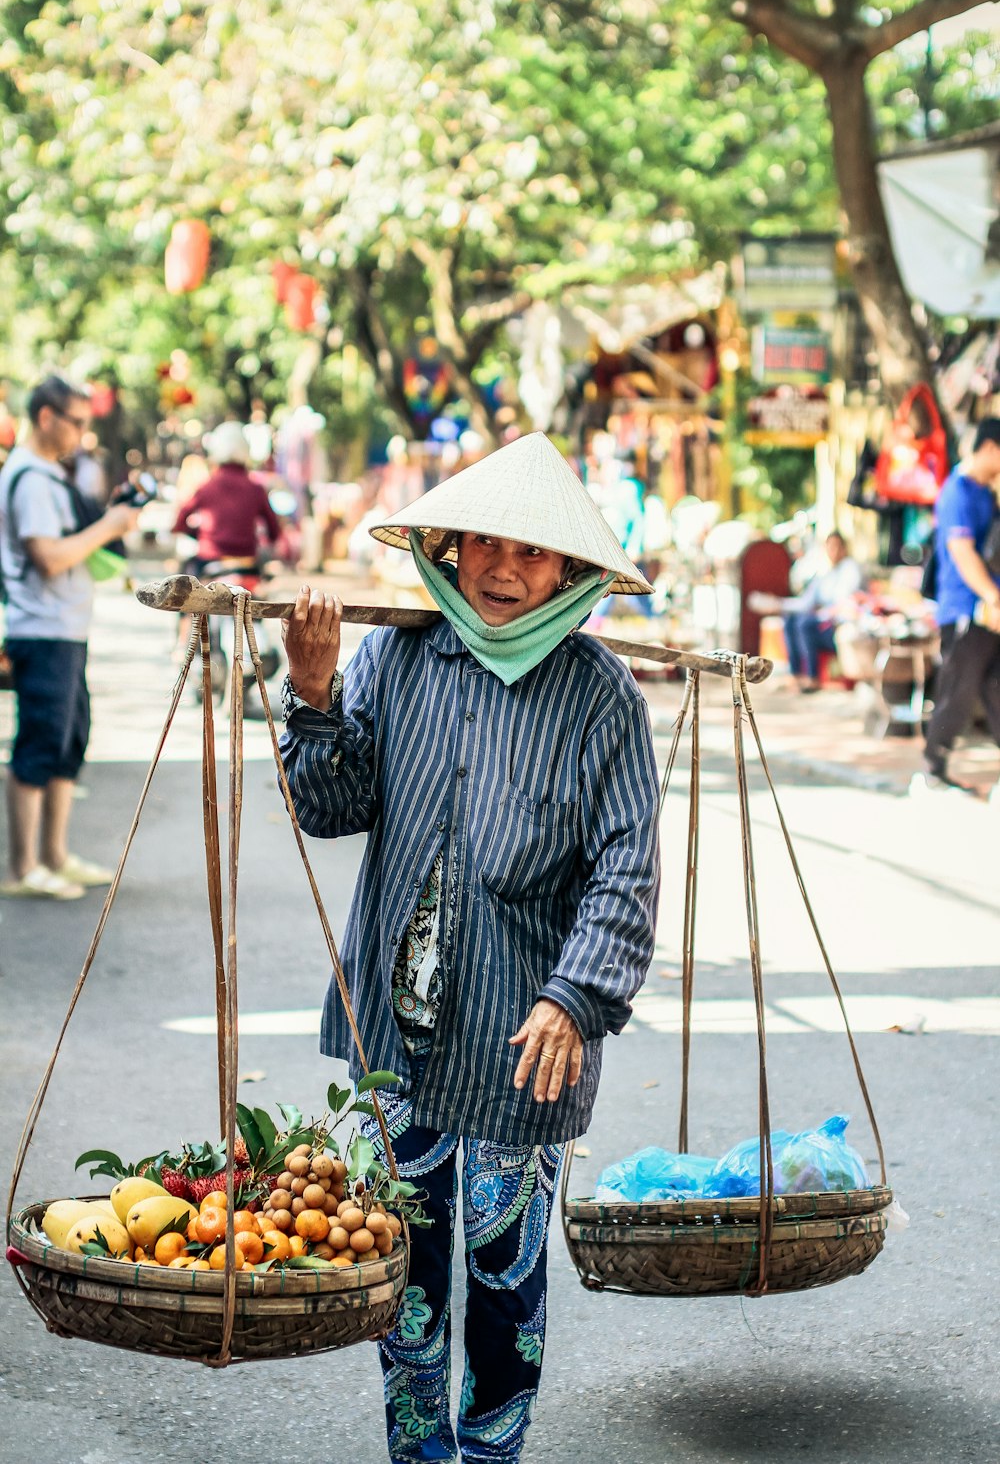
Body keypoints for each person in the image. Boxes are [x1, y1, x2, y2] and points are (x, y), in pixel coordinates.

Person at [279, 432, 661, 1464]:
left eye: (532, 554)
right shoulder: (397, 656)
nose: (501, 569)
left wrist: (572, 997)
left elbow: (625, 872)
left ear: (572, 573)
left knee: (503, 1284)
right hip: (392, 1037)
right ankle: (418, 1454)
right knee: (400, 1279)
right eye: (483, 543)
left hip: (522, 1041)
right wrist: (313, 698)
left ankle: (491, 1453)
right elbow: (332, 805)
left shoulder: (599, 698)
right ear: (445, 547)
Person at [0, 376, 141, 900]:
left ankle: (54, 856)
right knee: (39, 745)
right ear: (45, 417)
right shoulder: (32, 479)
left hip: (64, 630)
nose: (83, 434)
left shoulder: (45, 475)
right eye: (76, 422)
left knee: (67, 742)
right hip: (42, 631)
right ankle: (23, 867)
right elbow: (50, 557)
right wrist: (110, 526)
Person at [921, 417, 1000, 791]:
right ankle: (932, 770)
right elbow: (962, 552)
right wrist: (993, 597)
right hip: (966, 610)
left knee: (995, 687)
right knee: (959, 689)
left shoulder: (985, 492)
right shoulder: (956, 493)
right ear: (988, 449)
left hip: (989, 609)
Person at [751, 531, 864, 692]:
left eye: (837, 547)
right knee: (791, 620)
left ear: (844, 548)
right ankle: (796, 675)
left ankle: (813, 677)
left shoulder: (850, 569)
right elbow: (805, 603)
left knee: (805, 624)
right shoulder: (825, 574)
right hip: (823, 622)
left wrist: (821, 612)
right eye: (830, 547)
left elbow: (842, 602)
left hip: (838, 624)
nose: (833, 551)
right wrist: (779, 604)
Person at [171, 420, 282, 573]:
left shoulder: (207, 487)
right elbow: (274, 530)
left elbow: (180, 521)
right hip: (247, 563)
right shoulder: (256, 489)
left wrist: (196, 534)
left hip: (209, 560)